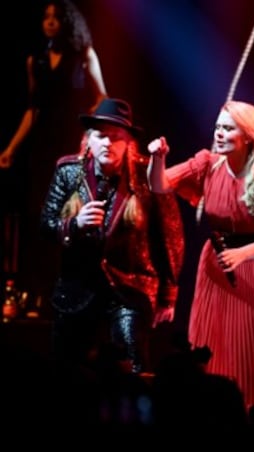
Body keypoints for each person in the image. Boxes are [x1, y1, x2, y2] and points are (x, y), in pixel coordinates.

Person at [147, 100, 254, 410]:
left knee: (248, 349)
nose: (219, 133)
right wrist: (157, 159)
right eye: (218, 126)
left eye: (228, 128)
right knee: (212, 345)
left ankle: (250, 412)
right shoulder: (208, 163)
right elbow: (159, 185)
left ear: (247, 135)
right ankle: (211, 414)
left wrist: (242, 254)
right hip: (216, 266)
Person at [39, 97, 184, 374]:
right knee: (66, 369)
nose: (107, 143)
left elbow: (170, 233)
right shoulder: (68, 171)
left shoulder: (145, 173)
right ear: (88, 139)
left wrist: (169, 293)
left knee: (133, 369)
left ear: (128, 141)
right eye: (101, 136)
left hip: (130, 288)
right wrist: (73, 224)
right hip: (77, 289)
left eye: (116, 137)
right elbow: (45, 225)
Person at [1, 0, 107, 307]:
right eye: (45, 17)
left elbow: (101, 96)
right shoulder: (36, 60)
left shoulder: (84, 56)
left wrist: (92, 132)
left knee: (71, 214)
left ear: (67, 22)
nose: (49, 22)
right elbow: (33, 110)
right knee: (41, 216)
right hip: (44, 146)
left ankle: (69, 289)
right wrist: (10, 148)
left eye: (56, 17)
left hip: (73, 143)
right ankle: (37, 290)